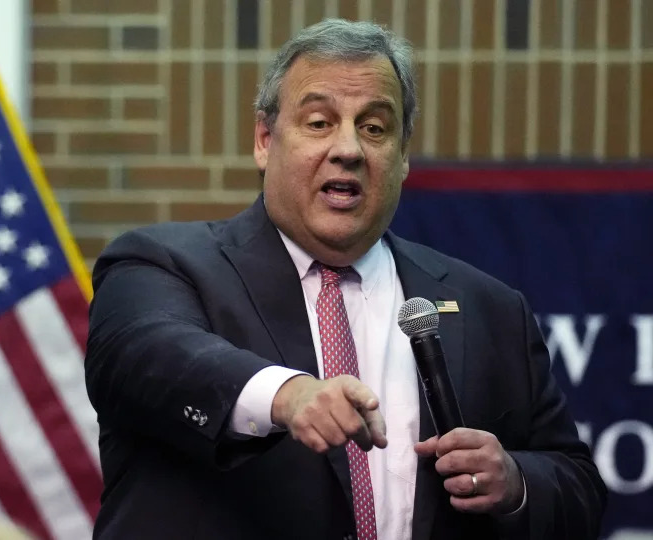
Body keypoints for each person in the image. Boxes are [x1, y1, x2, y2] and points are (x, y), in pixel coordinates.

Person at [84, 18, 606, 540]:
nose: (349, 149)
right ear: (265, 140)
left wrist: (515, 483)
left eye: (375, 128)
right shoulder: (162, 263)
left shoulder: (489, 308)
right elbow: (145, 356)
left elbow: (578, 489)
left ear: (402, 156)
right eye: (318, 123)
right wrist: (289, 396)